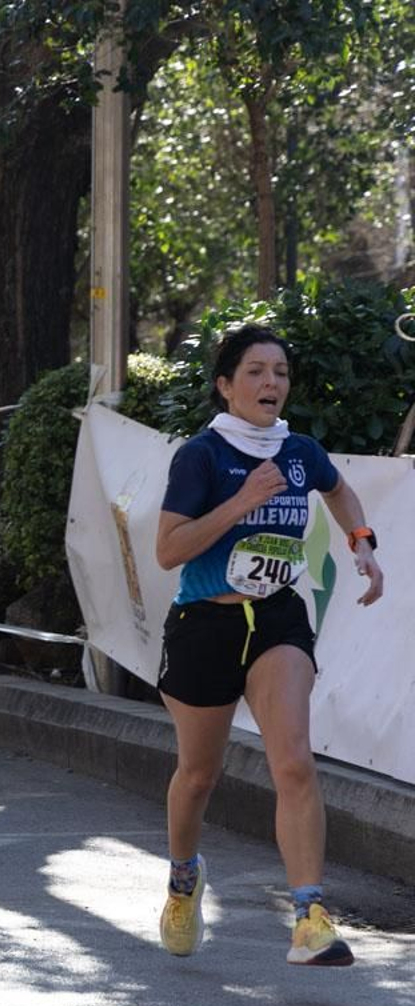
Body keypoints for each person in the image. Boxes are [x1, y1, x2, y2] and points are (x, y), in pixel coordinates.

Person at [154, 323, 383, 967]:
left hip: (278, 618)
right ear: (225, 386)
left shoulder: (300, 452)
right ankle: (182, 880)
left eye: (279, 372)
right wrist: (242, 501)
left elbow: (337, 489)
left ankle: (310, 915)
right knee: (199, 775)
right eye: (255, 371)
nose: (271, 383)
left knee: (295, 763)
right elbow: (169, 549)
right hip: (205, 623)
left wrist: (361, 541)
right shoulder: (201, 456)